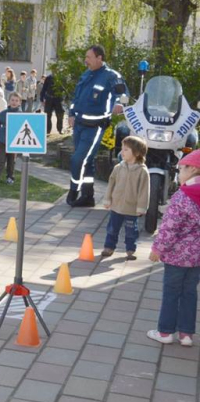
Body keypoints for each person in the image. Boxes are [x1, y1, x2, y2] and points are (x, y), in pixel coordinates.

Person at [147, 150, 200, 346]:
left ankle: (165, 332)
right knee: (189, 292)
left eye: (181, 169)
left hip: (177, 257)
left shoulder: (182, 197)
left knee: (171, 292)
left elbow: (170, 227)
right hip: (197, 258)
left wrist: (157, 248)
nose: (178, 174)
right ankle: (186, 334)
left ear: (193, 169)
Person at [67, 45, 127, 207]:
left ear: (99, 58)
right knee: (87, 160)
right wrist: (71, 114)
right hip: (79, 125)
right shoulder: (86, 75)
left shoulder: (111, 76)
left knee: (78, 159)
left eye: (89, 57)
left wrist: (119, 104)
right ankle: (88, 196)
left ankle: (74, 190)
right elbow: (76, 98)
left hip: (95, 126)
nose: (86, 61)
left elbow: (122, 94)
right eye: (86, 57)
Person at [101, 136, 150, 259]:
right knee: (112, 228)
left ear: (137, 153)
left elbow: (144, 190)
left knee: (131, 231)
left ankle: (130, 249)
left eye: (126, 150)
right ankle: (109, 247)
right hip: (116, 206)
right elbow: (111, 184)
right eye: (122, 149)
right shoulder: (118, 168)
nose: (122, 152)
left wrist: (141, 207)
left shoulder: (142, 171)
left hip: (131, 208)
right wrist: (107, 199)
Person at [0, 92, 22, 186]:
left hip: (14, 141)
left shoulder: (20, 114)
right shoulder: (4, 113)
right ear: (9, 101)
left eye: (16, 100)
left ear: (19, 102)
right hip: (4, 140)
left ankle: (10, 177)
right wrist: (1, 131)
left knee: (12, 159)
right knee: (1, 158)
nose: (14, 102)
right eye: (12, 100)